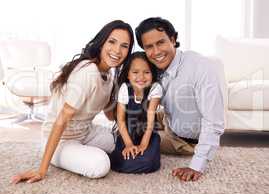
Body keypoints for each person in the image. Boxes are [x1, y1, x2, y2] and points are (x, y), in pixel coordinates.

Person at [11, 20, 134, 184]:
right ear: (102, 42)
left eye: (124, 46)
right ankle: (71, 155)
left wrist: (130, 99)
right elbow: (61, 119)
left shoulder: (110, 75)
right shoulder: (87, 71)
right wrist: (42, 170)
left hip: (86, 132)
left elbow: (110, 115)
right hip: (61, 138)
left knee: (124, 141)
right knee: (100, 164)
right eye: (112, 42)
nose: (117, 50)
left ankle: (82, 153)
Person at [135, 17, 225, 181]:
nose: (156, 52)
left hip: (185, 140)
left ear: (173, 39)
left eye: (161, 43)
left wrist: (196, 166)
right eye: (149, 47)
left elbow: (213, 121)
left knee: (137, 142)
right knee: (131, 120)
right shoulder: (154, 67)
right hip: (171, 117)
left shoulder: (201, 67)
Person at [109, 51, 162, 173]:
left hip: (148, 135)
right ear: (128, 74)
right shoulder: (124, 89)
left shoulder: (155, 88)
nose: (141, 77)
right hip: (127, 135)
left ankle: (143, 159)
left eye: (147, 72)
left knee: (149, 163)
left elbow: (150, 120)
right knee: (120, 161)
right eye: (135, 72)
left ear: (152, 74)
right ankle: (122, 160)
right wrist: (128, 144)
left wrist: (144, 144)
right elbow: (121, 120)